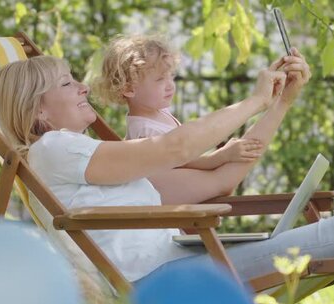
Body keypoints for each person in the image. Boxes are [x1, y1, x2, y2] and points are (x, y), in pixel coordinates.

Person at [0, 52, 334, 285]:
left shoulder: (89, 158)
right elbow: (175, 148)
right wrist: (253, 102)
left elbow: (218, 179)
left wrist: (278, 103)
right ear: (37, 110)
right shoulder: (54, 149)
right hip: (166, 282)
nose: (82, 88)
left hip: (184, 258)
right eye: (66, 83)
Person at [91, 35, 265, 204]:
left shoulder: (155, 110)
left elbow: (190, 145)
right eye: (160, 79)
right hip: (172, 214)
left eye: (171, 76)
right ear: (129, 88)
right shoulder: (144, 131)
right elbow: (185, 162)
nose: (170, 85)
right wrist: (222, 155)